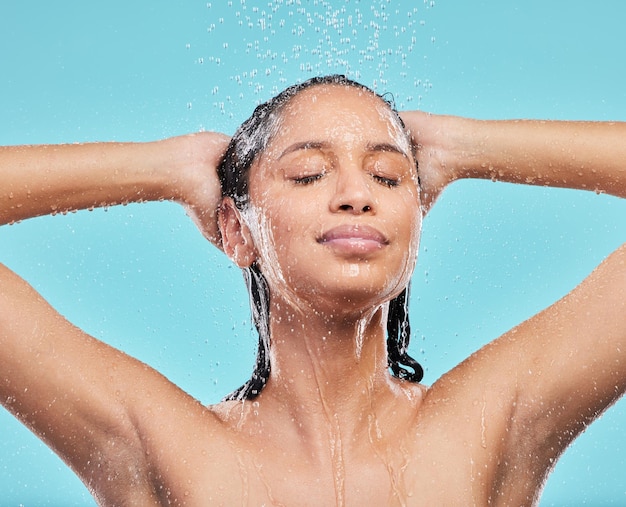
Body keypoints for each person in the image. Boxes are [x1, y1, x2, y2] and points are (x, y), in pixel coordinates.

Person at [1, 74, 625, 505]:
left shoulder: (490, 426)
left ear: (417, 224)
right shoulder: (163, 446)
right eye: (307, 174)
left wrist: (469, 148)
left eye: (387, 175)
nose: (357, 195)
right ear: (235, 232)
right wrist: (162, 167)